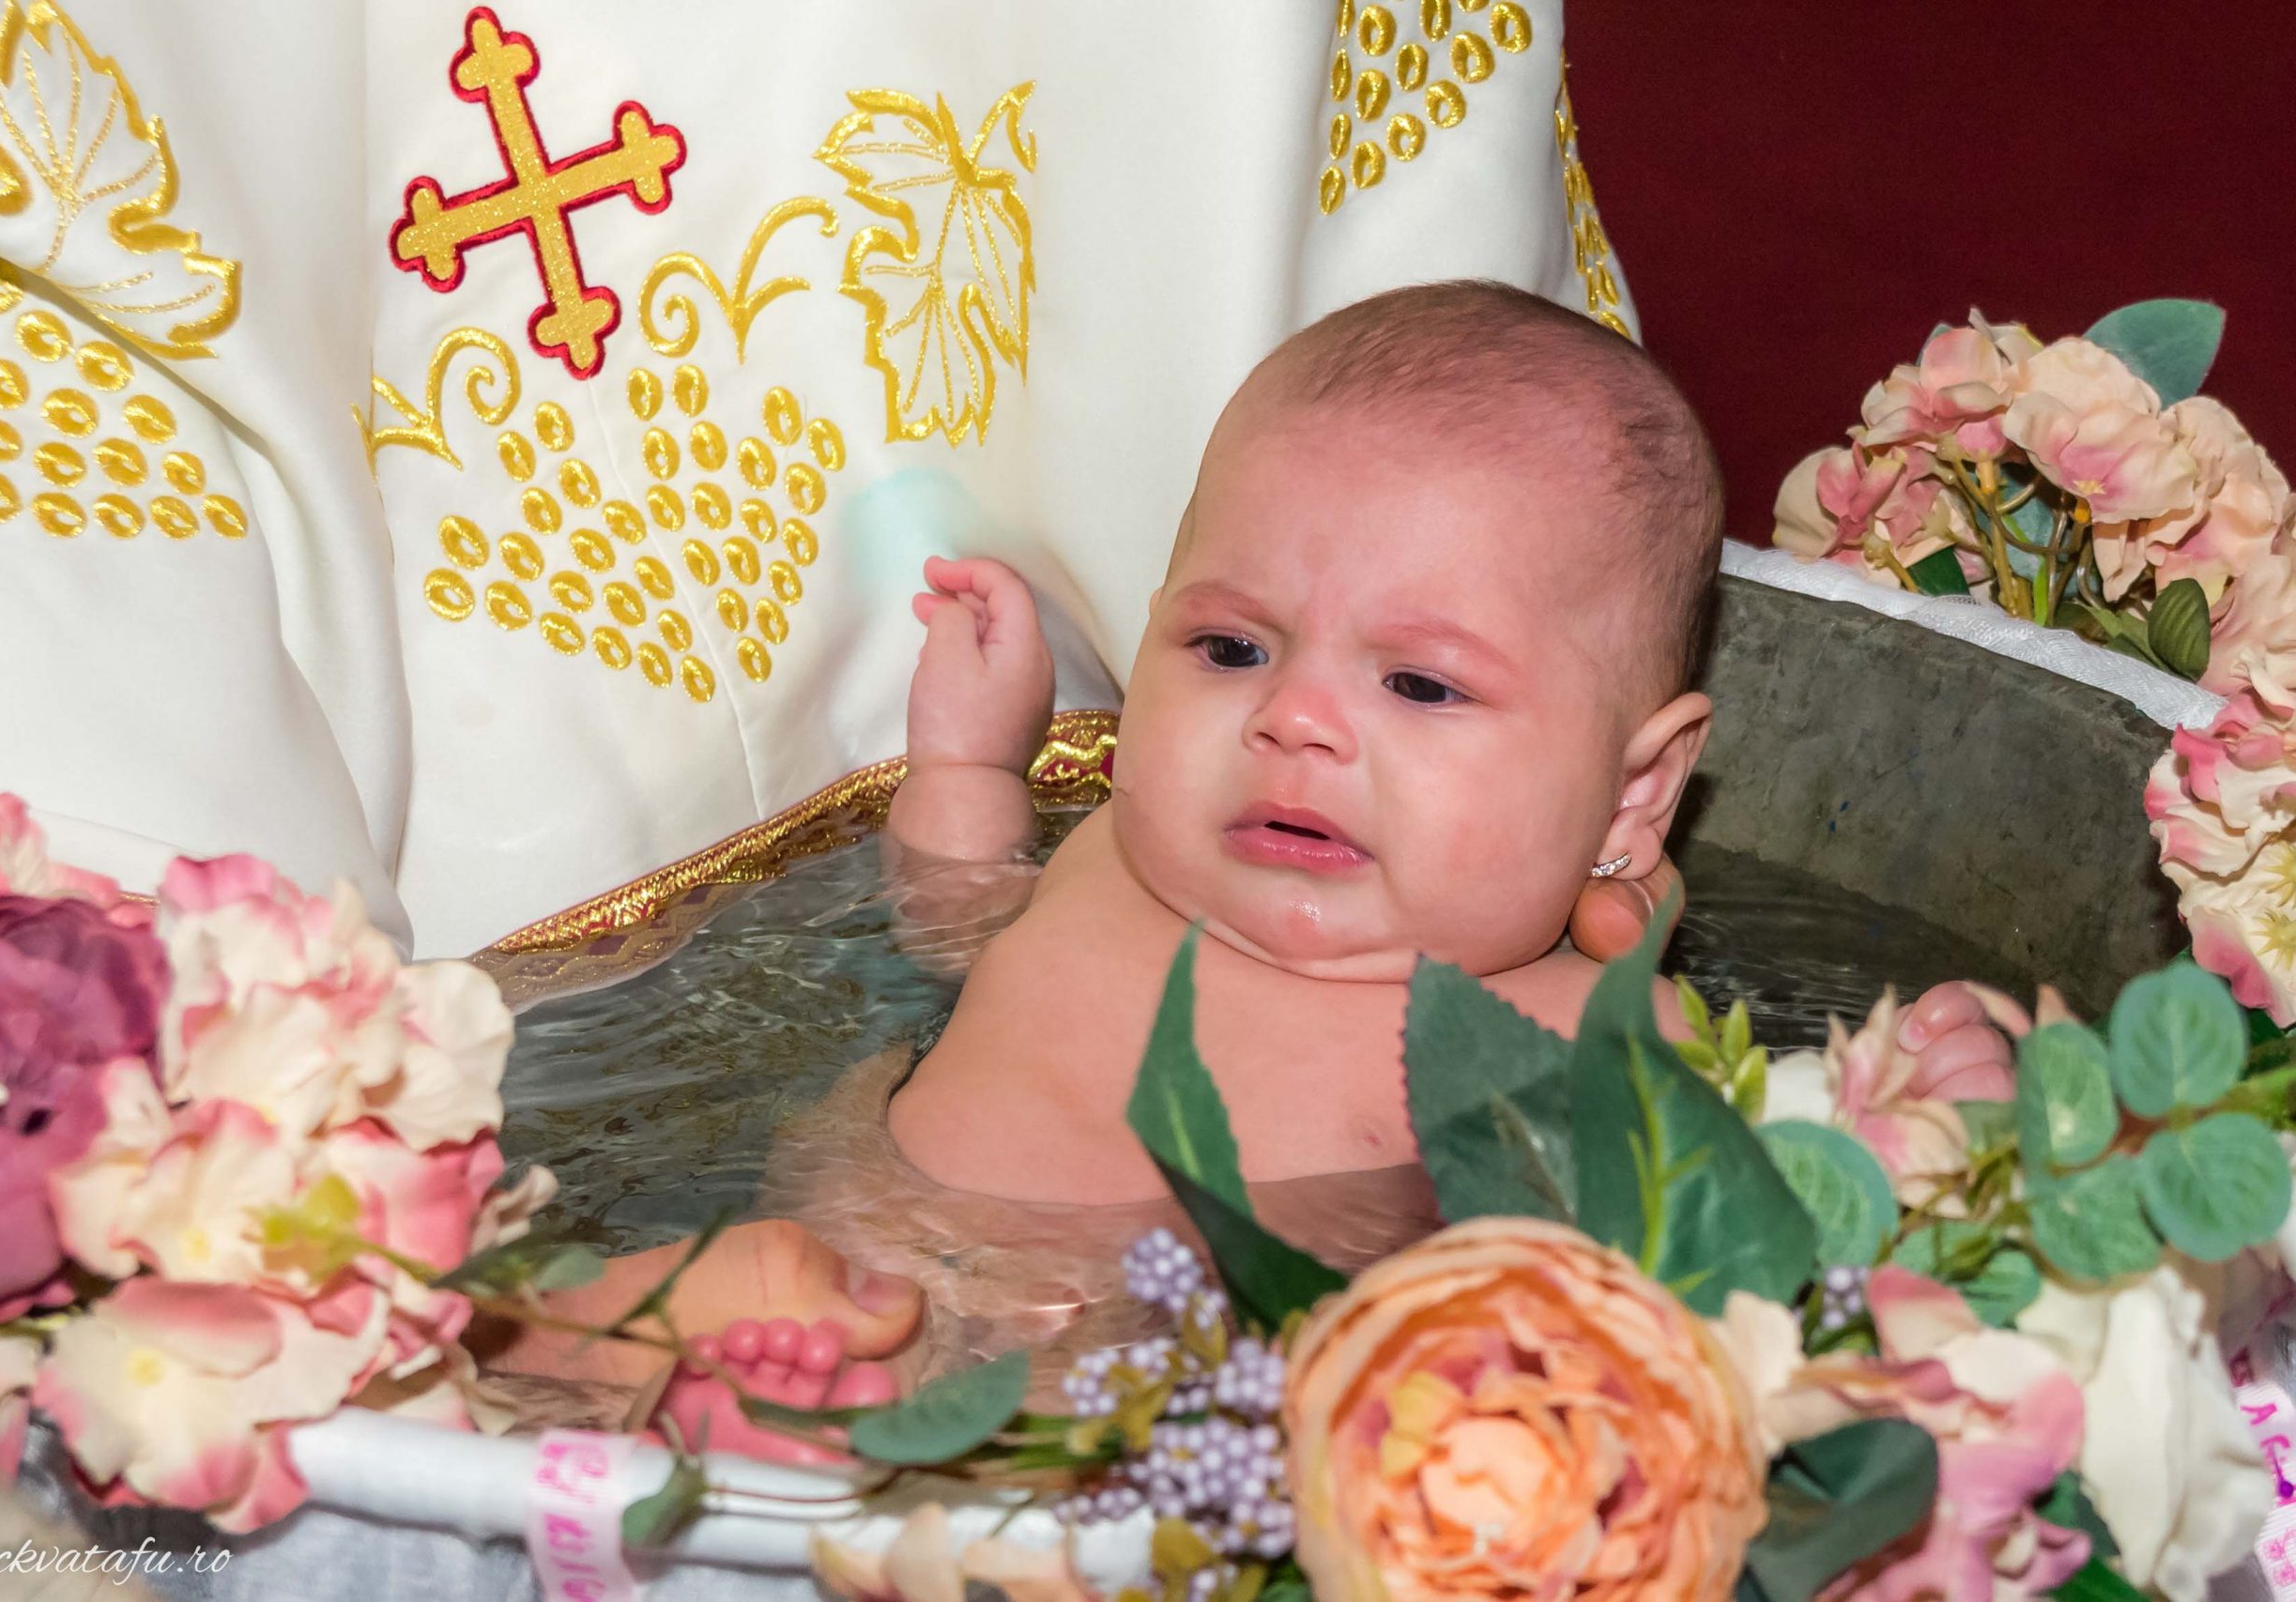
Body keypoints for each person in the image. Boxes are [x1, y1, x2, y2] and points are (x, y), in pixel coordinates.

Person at [487, 282, 2020, 1442]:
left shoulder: (1589, 1042)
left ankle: (737, 1420)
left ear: (1635, 795)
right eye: (1230, 647)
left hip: (1146, 1410)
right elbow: (947, 932)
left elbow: (1766, 1242)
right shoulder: (1105, 867)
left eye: (1419, 686)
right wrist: (967, 770)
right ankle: (589, 1359)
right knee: (568, 1317)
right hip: (846, 1239)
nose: (1293, 720)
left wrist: (1924, 1135)